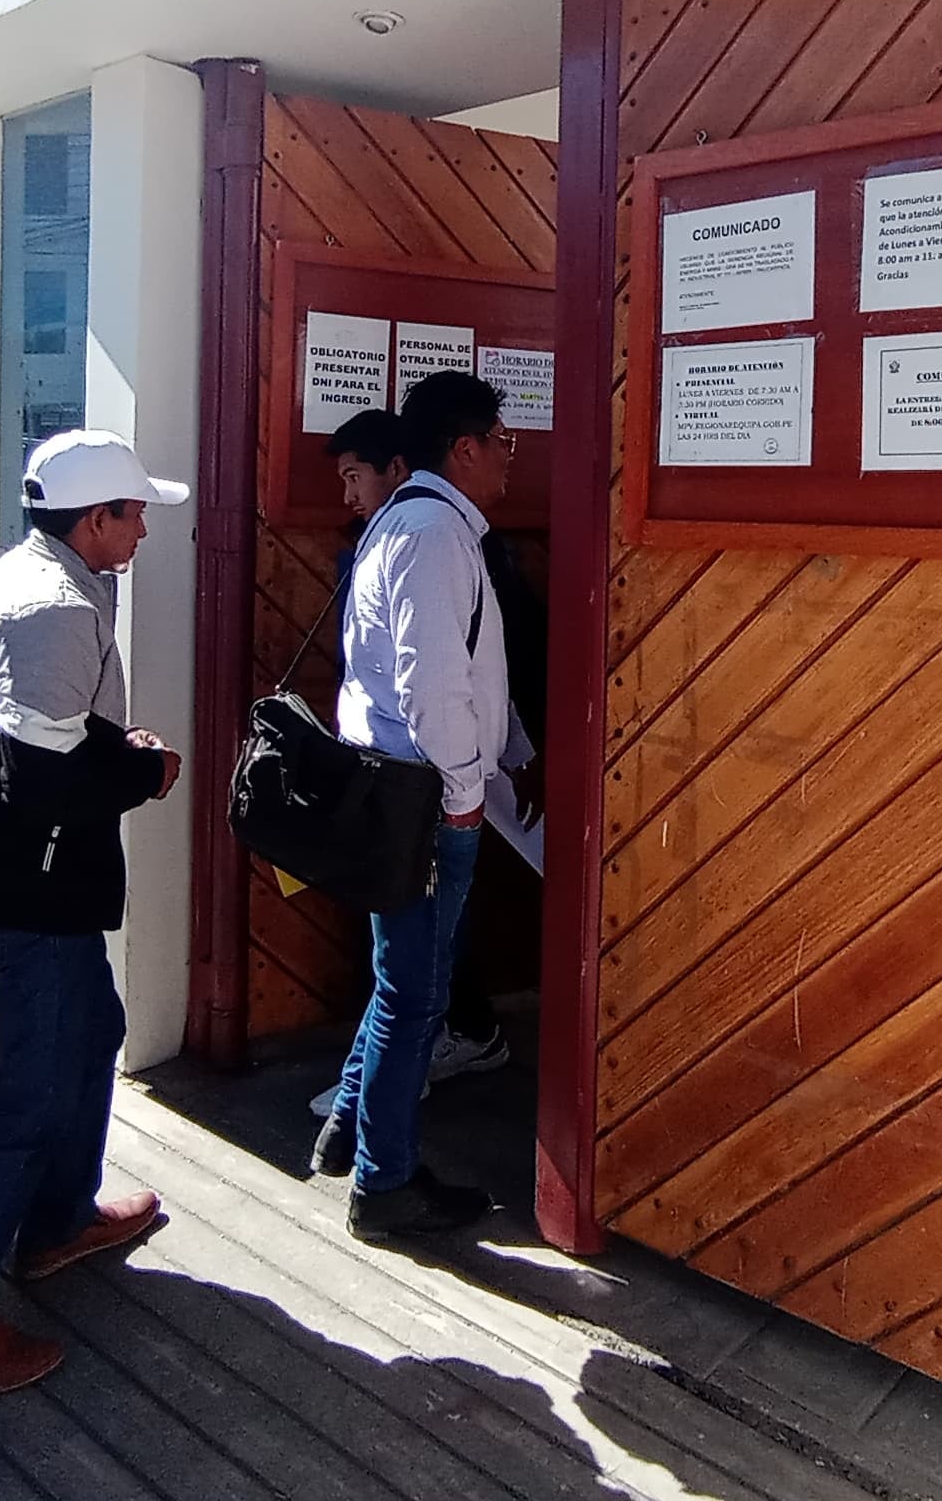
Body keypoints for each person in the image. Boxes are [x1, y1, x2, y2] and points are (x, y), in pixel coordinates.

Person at [0, 430, 185, 1396]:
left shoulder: (33, 574)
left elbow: (39, 739)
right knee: (27, 1097)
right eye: (134, 514)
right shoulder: (54, 607)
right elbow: (43, 778)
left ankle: (62, 1218)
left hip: (22, 880)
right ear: (95, 519)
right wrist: (144, 768)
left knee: (92, 1030)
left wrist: (108, 742)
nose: (143, 532)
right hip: (32, 892)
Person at [309, 372, 531, 1242]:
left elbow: (465, 669)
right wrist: (469, 797)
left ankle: (346, 1134)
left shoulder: (411, 524)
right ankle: (385, 1182)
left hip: (398, 787)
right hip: (427, 799)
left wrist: (512, 751)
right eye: (502, 442)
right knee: (414, 994)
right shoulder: (436, 534)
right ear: (465, 448)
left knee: (402, 980)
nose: (511, 459)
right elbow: (434, 685)